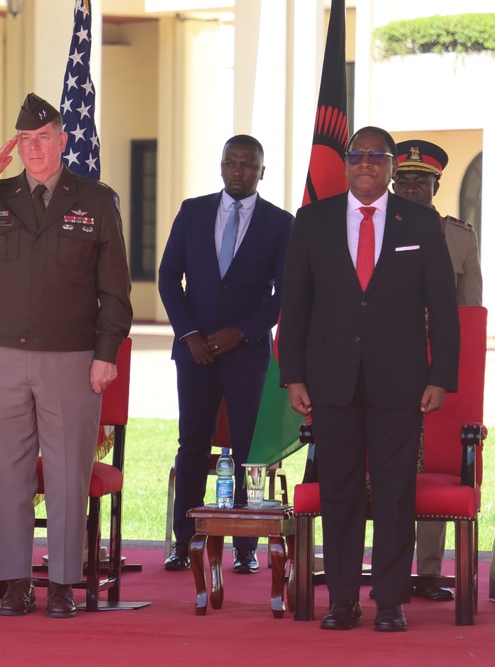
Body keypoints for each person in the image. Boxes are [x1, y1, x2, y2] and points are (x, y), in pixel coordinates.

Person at [0, 93, 132, 619]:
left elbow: (115, 291)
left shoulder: (94, 200)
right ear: (15, 146)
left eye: (44, 137)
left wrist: (106, 352)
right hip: (2, 355)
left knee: (68, 473)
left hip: (71, 356)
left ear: (63, 141)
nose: (35, 148)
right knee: (8, 473)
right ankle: (14, 582)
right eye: (25, 140)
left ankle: (64, 583)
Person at [279, 126, 460, 632]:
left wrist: (441, 375)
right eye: (356, 155)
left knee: (395, 489)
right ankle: (341, 599)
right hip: (330, 381)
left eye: (376, 157)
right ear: (345, 163)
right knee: (338, 490)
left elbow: (444, 308)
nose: (366, 164)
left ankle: (389, 600)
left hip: (401, 381)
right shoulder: (312, 221)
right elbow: (295, 306)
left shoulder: (421, 224)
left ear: (391, 166)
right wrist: (292, 374)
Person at [159, 135, 292, 574]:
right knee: (192, 446)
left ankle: (245, 544)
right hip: (194, 354)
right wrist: (190, 334)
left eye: (247, 165)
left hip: (247, 354)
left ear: (261, 171)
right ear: (220, 166)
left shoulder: (279, 223)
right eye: (231, 163)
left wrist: (244, 332)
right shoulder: (192, 212)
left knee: (246, 450)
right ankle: (186, 540)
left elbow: (285, 294)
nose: (238, 171)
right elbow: (168, 279)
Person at [393, 139, 483, 602]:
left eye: (420, 181)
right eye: (402, 180)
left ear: (436, 185)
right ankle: (386, 566)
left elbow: (469, 316)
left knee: (437, 460)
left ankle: (428, 572)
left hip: (434, 366)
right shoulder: (368, 229)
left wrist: (455, 376)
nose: (411, 188)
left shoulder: (460, 237)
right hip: (381, 362)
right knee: (387, 463)